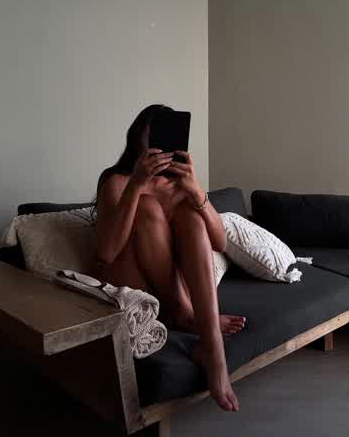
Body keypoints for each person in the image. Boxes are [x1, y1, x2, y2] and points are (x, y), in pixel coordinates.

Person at [91, 104, 245, 412]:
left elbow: (220, 242)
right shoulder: (117, 181)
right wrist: (137, 185)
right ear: (137, 139)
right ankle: (189, 318)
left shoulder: (180, 184)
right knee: (147, 206)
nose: (160, 146)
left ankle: (213, 351)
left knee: (191, 216)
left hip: (173, 290)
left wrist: (196, 191)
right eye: (152, 136)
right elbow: (106, 252)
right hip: (132, 282)